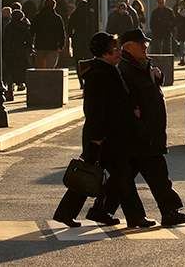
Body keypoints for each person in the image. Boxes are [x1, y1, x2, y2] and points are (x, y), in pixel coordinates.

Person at [53, 32, 154, 229]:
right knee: (114, 175)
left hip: (111, 135)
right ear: (104, 52)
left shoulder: (108, 70)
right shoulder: (100, 74)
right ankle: (134, 217)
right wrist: (97, 137)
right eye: (114, 49)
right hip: (104, 137)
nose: (118, 52)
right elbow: (95, 110)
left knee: (95, 175)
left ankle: (79, 212)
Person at [100, 29, 185, 227]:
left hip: (149, 130)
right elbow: (124, 98)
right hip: (140, 132)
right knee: (158, 174)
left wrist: (157, 77)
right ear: (128, 47)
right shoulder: (125, 68)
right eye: (141, 43)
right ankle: (169, 212)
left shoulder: (141, 64)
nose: (145, 46)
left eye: (146, 44)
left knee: (124, 177)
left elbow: (150, 87)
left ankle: (102, 210)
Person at [3, 10, 33, 99]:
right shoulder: (24, 26)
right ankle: (26, 88)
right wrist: (29, 49)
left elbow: (6, 39)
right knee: (23, 70)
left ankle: (10, 91)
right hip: (22, 52)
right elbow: (29, 40)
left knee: (10, 72)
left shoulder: (8, 27)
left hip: (10, 52)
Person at [32, 0, 67, 69]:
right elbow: (61, 32)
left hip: (40, 45)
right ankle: (49, 80)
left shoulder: (38, 16)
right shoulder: (57, 18)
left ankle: (40, 80)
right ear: (54, 6)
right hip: (53, 46)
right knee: (50, 68)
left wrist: (32, 44)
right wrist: (61, 45)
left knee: (40, 68)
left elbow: (32, 30)